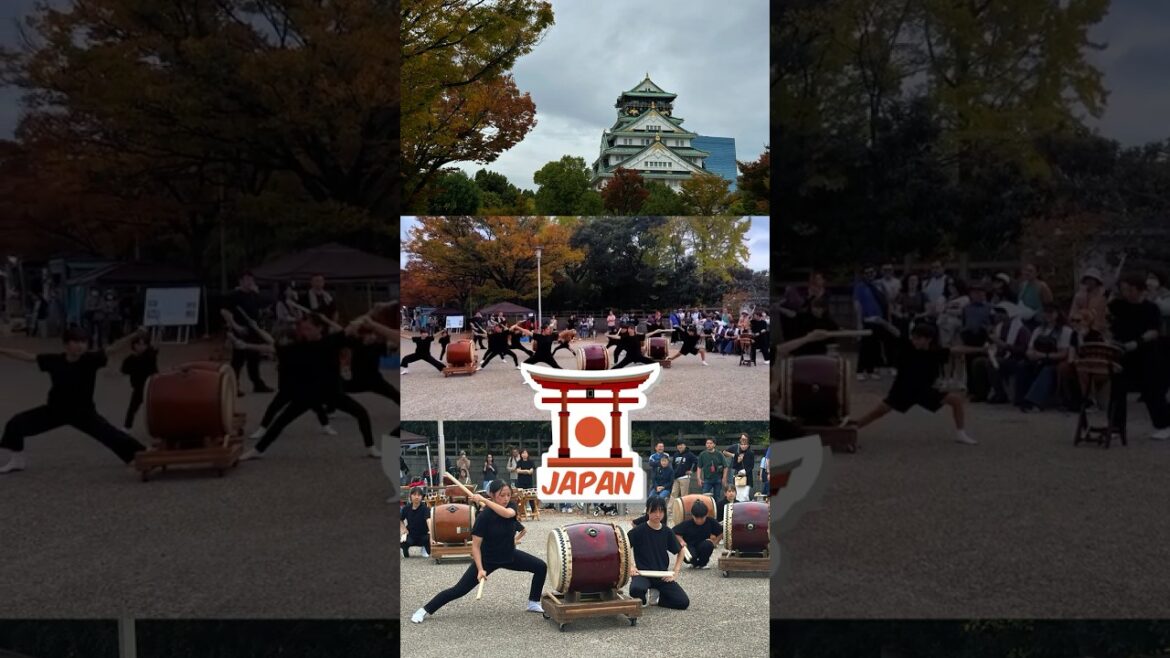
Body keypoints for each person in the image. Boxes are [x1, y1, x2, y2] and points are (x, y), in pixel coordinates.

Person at [0, 327, 148, 473]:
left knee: (111, 435)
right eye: (75, 342)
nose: (80, 346)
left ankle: (142, 453)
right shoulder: (54, 360)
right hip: (55, 410)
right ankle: (17, 461)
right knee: (16, 423)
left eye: (83, 342)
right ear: (66, 345)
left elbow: (113, 348)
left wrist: (134, 335)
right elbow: (27, 356)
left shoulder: (91, 359)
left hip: (83, 412)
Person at [240, 314, 381, 460]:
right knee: (281, 421)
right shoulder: (300, 347)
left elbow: (351, 328)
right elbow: (273, 348)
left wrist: (366, 317)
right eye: (303, 329)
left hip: (332, 392)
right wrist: (245, 345)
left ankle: (371, 448)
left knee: (362, 413)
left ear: (319, 328)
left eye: (308, 328)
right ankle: (258, 450)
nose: (304, 332)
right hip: (308, 393)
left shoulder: (331, 341)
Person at [411, 480, 547, 623]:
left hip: (509, 555)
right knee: (459, 590)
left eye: (508, 495)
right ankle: (424, 610)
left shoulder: (511, 507)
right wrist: (480, 569)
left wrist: (483, 500)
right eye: (502, 495)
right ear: (492, 495)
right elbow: (475, 547)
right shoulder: (483, 517)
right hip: (487, 560)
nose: (506, 498)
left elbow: (507, 514)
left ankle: (533, 602)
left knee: (540, 567)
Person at [841, 323, 977, 445]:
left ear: (928, 339)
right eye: (913, 337)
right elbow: (887, 333)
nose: (914, 341)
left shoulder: (936, 352)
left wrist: (981, 349)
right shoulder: (906, 346)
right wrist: (876, 323)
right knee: (878, 412)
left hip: (924, 390)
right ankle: (849, 430)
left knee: (956, 401)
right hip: (902, 390)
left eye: (918, 338)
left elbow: (956, 350)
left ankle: (961, 433)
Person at [244, 325, 336, 438]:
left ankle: (326, 426)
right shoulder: (286, 348)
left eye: (284, 338)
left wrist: (246, 345)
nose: (281, 340)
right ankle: (262, 429)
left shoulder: (292, 349)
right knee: (274, 407)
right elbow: (269, 341)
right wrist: (256, 329)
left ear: (290, 339)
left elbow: (268, 347)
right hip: (289, 388)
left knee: (316, 405)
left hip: (301, 386)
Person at [1109, 275, 1170, 440]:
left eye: (1130, 289)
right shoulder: (1118, 305)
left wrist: (1137, 342)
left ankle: (1164, 425)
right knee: (1118, 387)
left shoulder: (1151, 308)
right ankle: (1115, 426)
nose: (1127, 293)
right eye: (1124, 289)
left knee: (1152, 389)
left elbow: (1154, 331)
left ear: (1140, 290)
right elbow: (1106, 317)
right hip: (1123, 352)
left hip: (1146, 352)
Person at [626, 496, 688, 609]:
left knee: (683, 602)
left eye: (661, 511)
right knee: (636, 590)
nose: (657, 515)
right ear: (647, 511)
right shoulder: (638, 531)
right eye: (654, 511)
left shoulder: (667, 532)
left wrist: (675, 572)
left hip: (661, 575)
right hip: (643, 574)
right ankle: (643, 597)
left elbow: (681, 551)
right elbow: (624, 547)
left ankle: (658, 598)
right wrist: (630, 566)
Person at [1015, 305, 1073, 412]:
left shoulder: (1065, 331)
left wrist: (1043, 355)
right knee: (1022, 365)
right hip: (1038, 358)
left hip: (1054, 361)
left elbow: (1064, 353)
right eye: (1045, 312)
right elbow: (1030, 348)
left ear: (1057, 314)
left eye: (1051, 312)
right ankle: (1020, 399)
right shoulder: (1039, 330)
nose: (1048, 315)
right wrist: (1030, 354)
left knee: (1048, 370)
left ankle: (1034, 402)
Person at [225, 272, 273, 394]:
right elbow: (225, 312)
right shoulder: (234, 295)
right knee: (238, 360)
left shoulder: (254, 295)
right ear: (240, 281)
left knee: (254, 359)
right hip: (240, 330)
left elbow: (263, 307)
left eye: (251, 279)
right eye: (247, 279)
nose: (249, 282)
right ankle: (234, 386)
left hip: (254, 329)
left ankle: (257, 384)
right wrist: (236, 326)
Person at [342, 310, 399, 405]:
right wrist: (358, 322)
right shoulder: (355, 343)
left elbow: (394, 344)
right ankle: (329, 407)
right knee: (334, 390)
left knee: (396, 395)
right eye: (369, 335)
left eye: (374, 335)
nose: (372, 337)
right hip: (357, 381)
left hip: (375, 381)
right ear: (363, 335)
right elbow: (341, 334)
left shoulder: (378, 346)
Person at [120, 333, 159, 431]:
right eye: (138, 344)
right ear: (134, 346)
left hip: (152, 386)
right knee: (132, 408)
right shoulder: (131, 359)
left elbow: (152, 353)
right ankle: (126, 427)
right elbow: (124, 370)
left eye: (143, 344)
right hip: (139, 388)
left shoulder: (150, 355)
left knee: (156, 408)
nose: (141, 347)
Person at [672, 500, 722, 569]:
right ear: (692, 515)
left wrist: (715, 543)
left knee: (708, 544)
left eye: (702, 518)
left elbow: (721, 531)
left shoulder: (710, 521)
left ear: (706, 515)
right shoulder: (687, 523)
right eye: (696, 518)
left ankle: (703, 563)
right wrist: (681, 541)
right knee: (688, 555)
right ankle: (694, 563)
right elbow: (674, 532)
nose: (699, 520)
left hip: (703, 545)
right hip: (690, 546)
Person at [1070, 268, 1110, 336]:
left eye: (1092, 279)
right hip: (1082, 330)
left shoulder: (1104, 296)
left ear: (1097, 280)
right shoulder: (1079, 295)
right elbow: (1073, 313)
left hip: (1100, 331)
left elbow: (1107, 314)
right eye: (1087, 279)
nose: (1089, 281)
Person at [400, 486, 431, 558]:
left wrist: (431, 533)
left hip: (423, 535)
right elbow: (400, 519)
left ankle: (425, 548)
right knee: (403, 542)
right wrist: (403, 529)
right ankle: (405, 552)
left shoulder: (425, 509)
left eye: (419, 495)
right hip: (411, 534)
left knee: (428, 540)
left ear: (421, 497)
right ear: (410, 496)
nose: (416, 497)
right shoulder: (406, 508)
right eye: (414, 495)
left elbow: (428, 520)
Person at [723, 434, 755, 501]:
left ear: (748, 445)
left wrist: (745, 472)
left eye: (745, 444)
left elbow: (751, 466)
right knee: (738, 495)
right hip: (738, 477)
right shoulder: (737, 453)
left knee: (745, 495)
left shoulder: (751, 453)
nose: (743, 446)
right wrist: (738, 460)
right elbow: (735, 466)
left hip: (747, 477)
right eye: (742, 445)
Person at [514, 449, 535, 514]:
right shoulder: (519, 462)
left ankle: (533, 510)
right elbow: (518, 471)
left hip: (529, 482)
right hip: (521, 482)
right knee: (521, 497)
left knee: (531, 496)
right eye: (523, 453)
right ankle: (521, 511)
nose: (524, 454)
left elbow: (531, 471)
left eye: (525, 453)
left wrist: (523, 471)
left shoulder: (530, 462)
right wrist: (526, 471)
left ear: (527, 454)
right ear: (521, 454)